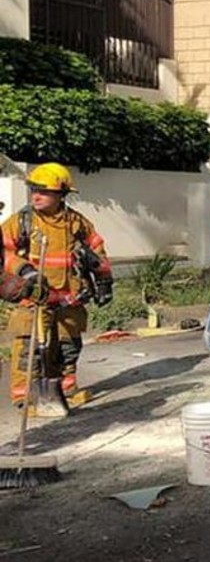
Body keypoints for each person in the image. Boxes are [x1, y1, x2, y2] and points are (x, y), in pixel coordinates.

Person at [4, 163, 114, 417]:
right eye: (33, 190)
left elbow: (97, 250)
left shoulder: (76, 223)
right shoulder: (21, 222)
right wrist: (24, 270)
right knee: (28, 347)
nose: (36, 196)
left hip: (69, 298)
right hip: (33, 297)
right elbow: (4, 252)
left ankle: (64, 390)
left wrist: (104, 280)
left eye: (44, 192)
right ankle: (25, 397)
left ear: (61, 194)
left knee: (67, 346)